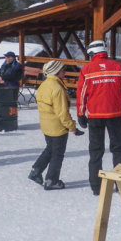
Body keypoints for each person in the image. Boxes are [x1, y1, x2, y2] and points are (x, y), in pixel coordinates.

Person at [76, 39, 121, 196]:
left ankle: (96, 186)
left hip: (95, 115)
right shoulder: (117, 67)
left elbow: (81, 94)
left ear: (92, 53)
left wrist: (80, 113)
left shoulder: (86, 70)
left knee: (95, 151)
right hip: (114, 114)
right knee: (118, 149)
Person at [28, 59, 83, 190]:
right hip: (57, 127)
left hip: (46, 124)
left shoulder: (44, 85)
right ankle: (51, 180)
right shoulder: (57, 88)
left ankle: (36, 171)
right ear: (56, 72)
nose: (65, 72)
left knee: (50, 149)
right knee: (57, 154)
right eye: (63, 70)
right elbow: (62, 113)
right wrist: (72, 127)